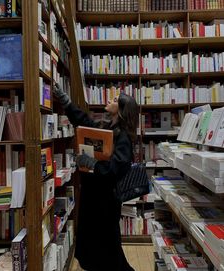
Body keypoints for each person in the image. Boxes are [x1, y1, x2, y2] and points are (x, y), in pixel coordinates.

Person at [54, 83, 139, 271]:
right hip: (93, 197)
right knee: (94, 245)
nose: (110, 99)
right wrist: (66, 102)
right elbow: (84, 122)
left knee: (108, 247)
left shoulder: (123, 136)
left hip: (105, 202)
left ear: (122, 110)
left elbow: (117, 168)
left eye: (116, 100)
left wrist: (93, 164)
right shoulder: (107, 127)